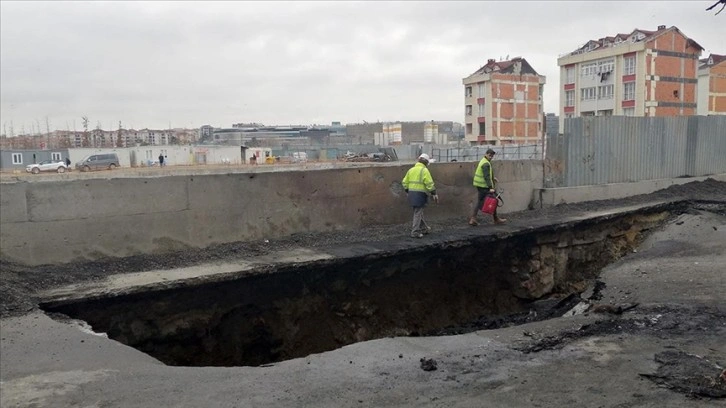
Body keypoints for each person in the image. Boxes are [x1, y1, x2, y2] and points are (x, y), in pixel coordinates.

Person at [402, 153, 438, 238]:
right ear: (426, 163)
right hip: (420, 194)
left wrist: (407, 191)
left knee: (418, 212)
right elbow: (429, 184)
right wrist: (434, 193)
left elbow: (404, 182)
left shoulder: (411, 170)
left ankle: (424, 228)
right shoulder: (424, 171)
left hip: (411, 193)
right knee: (418, 212)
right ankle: (415, 232)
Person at [469, 149, 507, 226]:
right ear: (486, 154)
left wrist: (493, 178)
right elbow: (486, 176)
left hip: (480, 185)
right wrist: (490, 187)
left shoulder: (484, 161)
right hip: (484, 186)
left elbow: (487, 174)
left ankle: (473, 219)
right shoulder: (486, 164)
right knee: (494, 199)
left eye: (492, 156)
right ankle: (496, 219)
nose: (491, 157)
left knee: (480, 201)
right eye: (490, 155)